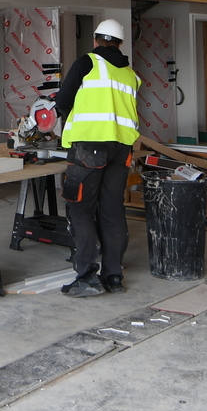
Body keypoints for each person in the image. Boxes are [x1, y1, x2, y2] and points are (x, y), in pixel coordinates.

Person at [52, 18, 140, 297]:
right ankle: (113, 276)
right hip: (121, 150)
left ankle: (87, 276)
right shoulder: (130, 74)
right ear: (120, 43)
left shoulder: (86, 63)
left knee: (79, 208)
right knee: (112, 210)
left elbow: (63, 101)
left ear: (96, 39)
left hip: (89, 147)